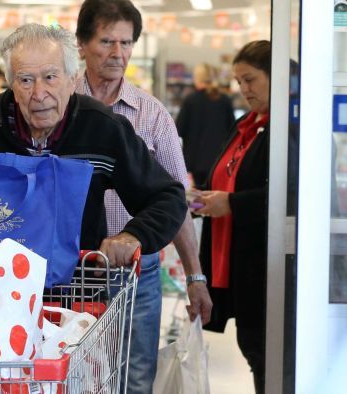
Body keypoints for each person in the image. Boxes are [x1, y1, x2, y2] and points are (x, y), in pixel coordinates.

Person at [0, 24, 186, 304]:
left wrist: (134, 235)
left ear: (73, 79)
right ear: (11, 84)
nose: (39, 94)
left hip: (76, 298)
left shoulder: (103, 129)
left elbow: (167, 197)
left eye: (50, 77)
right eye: (25, 80)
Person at [74, 1, 212, 392]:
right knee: (74, 375)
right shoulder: (59, 104)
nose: (119, 54)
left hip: (137, 273)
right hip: (72, 272)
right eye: (106, 41)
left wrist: (194, 276)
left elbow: (177, 200)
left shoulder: (151, 116)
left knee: (136, 380)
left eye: (127, 42)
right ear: (81, 44)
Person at [193, 40, 295, 394]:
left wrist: (231, 204)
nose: (244, 89)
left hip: (270, 272)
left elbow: (293, 197)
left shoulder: (290, 128)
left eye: (250, 79)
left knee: (272, 362)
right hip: (238, 266)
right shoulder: (248, 127)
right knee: (255, 354)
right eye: (239, 81)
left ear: (277, 76)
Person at [175, 63, 235, 188]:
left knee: (199, 199)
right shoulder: (225, 100)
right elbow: (232, 130)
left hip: (195, 160)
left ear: (197, 79)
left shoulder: (191, 100)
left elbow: (179, 130)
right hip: (220, 159)